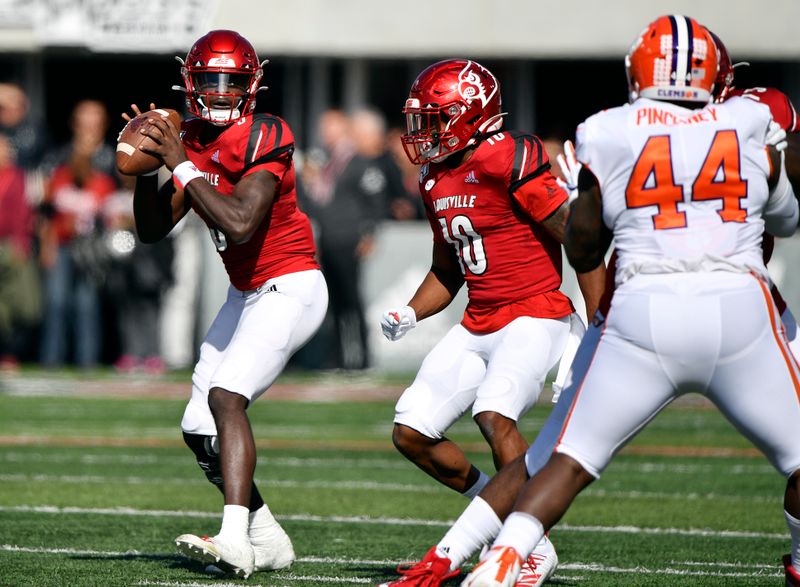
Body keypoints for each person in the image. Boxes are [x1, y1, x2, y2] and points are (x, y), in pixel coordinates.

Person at [458, 15, 800, 587]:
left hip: (645, 305)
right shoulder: (751, 120)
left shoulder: (609, 129)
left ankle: (498, 567)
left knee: (567, 459)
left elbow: (586, 242)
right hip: (737, 303)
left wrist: (589, 196)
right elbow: (787, 218)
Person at [377, 59, 604, 587]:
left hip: (537, 313)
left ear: (469, 115)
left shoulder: (509, 155)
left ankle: (530, 546)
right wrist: (411, 310)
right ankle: (497, 507)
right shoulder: (434, 176)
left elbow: (578, 241)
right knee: (410, 432)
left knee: (494, 414)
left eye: (434, 120)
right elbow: (447, 268)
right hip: (480, 319)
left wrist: (597, 328)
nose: (422, 134)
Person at [126, 30, 328, 579]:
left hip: (292, 283)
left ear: (252, 85)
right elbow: (150, 230)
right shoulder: (188, 136)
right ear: (190, 84)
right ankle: (267, 536)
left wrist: (181, 163)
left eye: (230, 82)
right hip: (247, 291)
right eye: (209, 81)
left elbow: (240, 225)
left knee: (225, 396)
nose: (218, 93)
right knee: (198, 426)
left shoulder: (267, 131)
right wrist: (149, 170)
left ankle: (235, 538)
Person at [304, 108, 400, 370]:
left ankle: (360, 357)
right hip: (329, 237)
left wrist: (369, 232)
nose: (325, 133)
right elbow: (317, 202)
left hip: (348, 238)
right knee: (334, 302)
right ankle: (338, 356)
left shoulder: (358, 161)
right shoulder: (327, 162)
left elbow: (377, 199)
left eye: (330, 127)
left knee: (351, 300)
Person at [38, 100, 117, 368]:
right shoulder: (57, 160)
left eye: (94, 121)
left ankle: (88, 361)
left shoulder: (113, 161)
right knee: (56, 302)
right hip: (60, 244)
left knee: (87, 304)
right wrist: (46, 244)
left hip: (93, 247)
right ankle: (52, 361)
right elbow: (45, 210)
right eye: (84, 121)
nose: (88, 128)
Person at [0, 134, 40, 371]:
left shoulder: (19, 177)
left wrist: (22, 243)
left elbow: (24, 214)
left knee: (26, 306)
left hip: (13, 247)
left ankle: (13, 352)